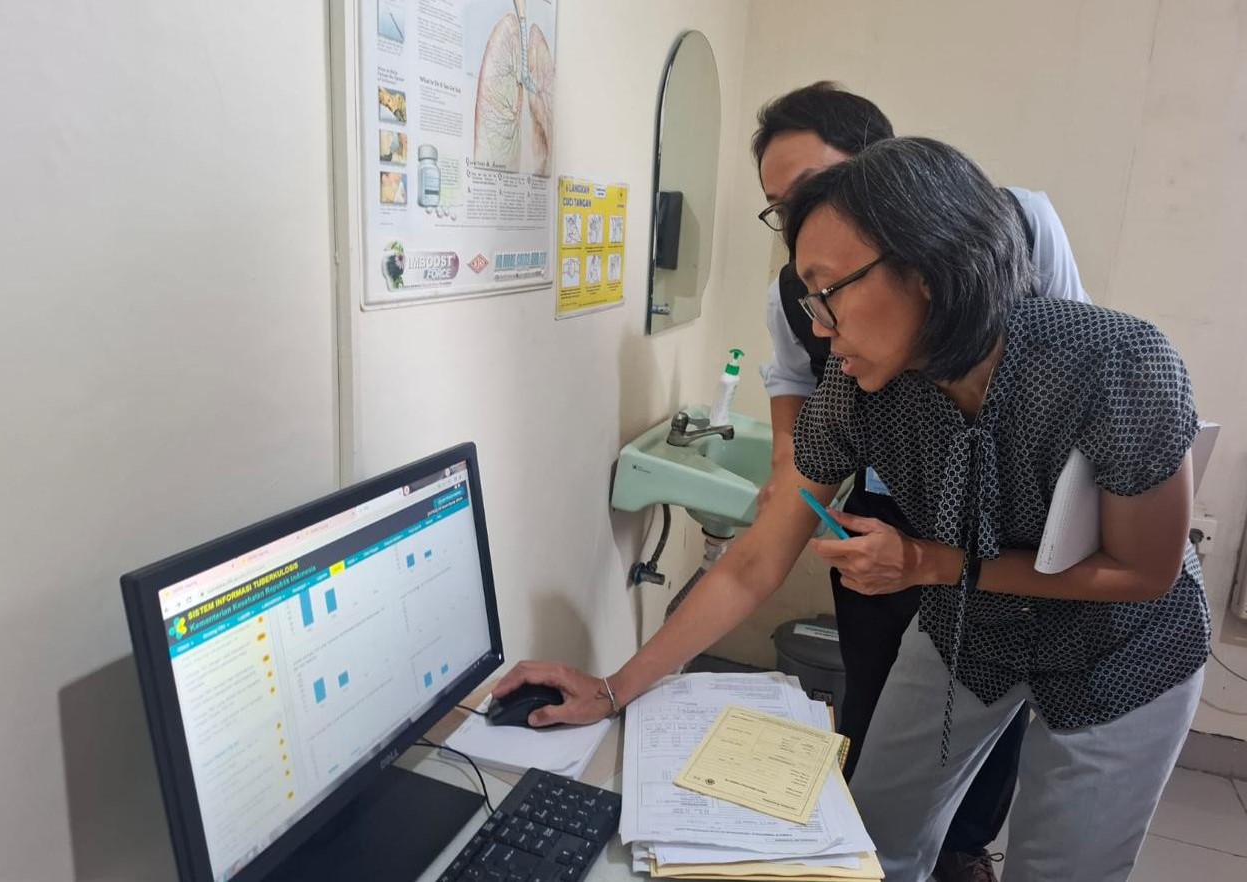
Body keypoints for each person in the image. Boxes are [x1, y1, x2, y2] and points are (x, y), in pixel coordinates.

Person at [496, 137, 1208, 882]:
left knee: (1061, 869)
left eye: (828, 288)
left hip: (1123, 644)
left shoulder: (1118, 364)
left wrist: (928, 563)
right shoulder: (856, 388)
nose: (819, 326)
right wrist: (614, 689)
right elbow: (754, 560)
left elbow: (1144, 571)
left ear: (929, 271)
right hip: (969, 629)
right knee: (869, 839)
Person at [756, 82, 1088, 882]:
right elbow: (793, 425)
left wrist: (948, 557)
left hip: (1015, 522)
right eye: (777, 207)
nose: (823, 328)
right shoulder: (806, 305)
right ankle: (873, 841)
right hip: (887, 502)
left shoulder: (1027, 236)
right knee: (884, 695)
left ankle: (967, 849)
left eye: (808, 191)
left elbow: (1068, 375)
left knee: (1007, 713)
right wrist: (789, 500)